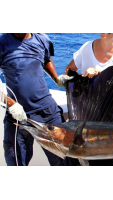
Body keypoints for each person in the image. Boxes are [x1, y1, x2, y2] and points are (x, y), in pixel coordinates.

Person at [0, 33, 79, 166]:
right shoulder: (3, 43)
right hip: (18, 114)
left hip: (48, 111)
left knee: (66, 161)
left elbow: (46, 59)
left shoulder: (42, 39)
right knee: (16, 162)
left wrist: (56, 78)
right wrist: (10, 103)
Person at [64, 33, 113, 166]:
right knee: (70, 148)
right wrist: (84, 76)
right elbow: (68, 71)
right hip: (89, 111)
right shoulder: (87, 48)